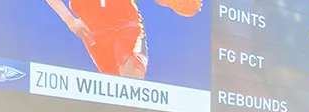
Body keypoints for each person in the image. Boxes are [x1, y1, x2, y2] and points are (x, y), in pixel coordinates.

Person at [45, 0, 199, 79]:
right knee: (116, 92)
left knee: (131, 80)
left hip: (126, 24)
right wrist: (70, 21)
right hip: (94, 32)